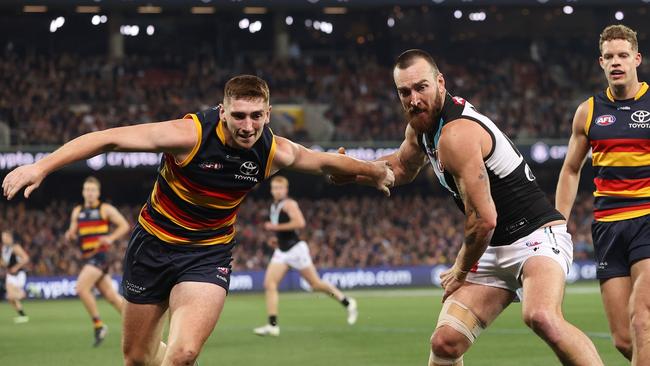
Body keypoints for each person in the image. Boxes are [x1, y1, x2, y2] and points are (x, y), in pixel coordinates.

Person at [2, 75, 394, 366]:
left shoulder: (275, 151)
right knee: (137, 359)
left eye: (257, 116)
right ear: (223, 111)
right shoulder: (188, 135)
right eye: (238, 115)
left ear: (268, 114)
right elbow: (108, 138)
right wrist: (43, 166)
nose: (247, 126)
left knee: (183, 355)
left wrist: (373, 171)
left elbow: (325, 160)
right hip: (152, 247)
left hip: (207, 254)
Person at [333, 49, 603, 366]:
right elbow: (402, 168)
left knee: (541, 316)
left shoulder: (457, 133)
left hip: (536, 238)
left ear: (441, 83)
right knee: (445, 343)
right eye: (404, 92)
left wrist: (460, 270)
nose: (413, 99)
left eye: (421, 87)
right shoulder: (421, 128)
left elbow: (485, 220)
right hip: (494, 246)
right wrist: (354, 171)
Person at [556, 24, 650, 365]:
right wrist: (558, 223)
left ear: (636, 58)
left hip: (646, 219)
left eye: (623, 55)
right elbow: (570, 169)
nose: (616, 62)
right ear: (600, 62)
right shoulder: (589, 111)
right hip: (608, 227)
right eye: (609, 56)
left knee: (642, 320)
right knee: (625, 340)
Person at [253, 176, 358, 337]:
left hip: (296, 250)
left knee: (315, 284)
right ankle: (273, 325)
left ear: (285, 190)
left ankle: (347, 301)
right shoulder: (275, 205)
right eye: (274, 188)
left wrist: (275, 227)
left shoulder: (289, 204)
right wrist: (277, 239)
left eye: (280, 188)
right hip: (282, 250)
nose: (277, 191)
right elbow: (286, 230)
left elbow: (300, 223)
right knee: (269, 284)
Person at [64, 176, 130, 347]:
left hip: (100, 256)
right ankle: (137, 324)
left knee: (81, 287)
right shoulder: (77, 211)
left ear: (98, 192)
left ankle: (98, 326)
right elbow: (72, 232)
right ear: (83, 192)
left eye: (93, 190)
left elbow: (124, 225)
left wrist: (110, 237)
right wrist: (69, 235)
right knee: (112, 297)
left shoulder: (105, 209)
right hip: (87, 257)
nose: (90, 193)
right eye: (87, 190)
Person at [1, 229, 30, 323]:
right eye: (2, 237)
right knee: (10, 298)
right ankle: (23, 316)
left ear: (10, 238)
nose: (3, 239)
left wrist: (16, 267)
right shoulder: (4, 249)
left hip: (18, 275)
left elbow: (26, 258)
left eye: (5, 237)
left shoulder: (15, 247)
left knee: (12, 295)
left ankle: (28, 292)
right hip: (10, 275)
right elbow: (5, 263)